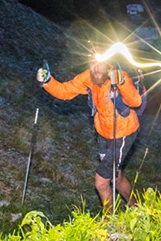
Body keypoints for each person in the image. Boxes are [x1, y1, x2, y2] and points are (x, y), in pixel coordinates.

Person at [37, 50, 142, 212]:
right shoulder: (88, 77)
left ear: (108, 65)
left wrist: (121, 83)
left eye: (101, 64)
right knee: (115, 176)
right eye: (93, 63)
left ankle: (110, 222)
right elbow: (65, 91)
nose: (97, 68)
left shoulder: (119, 77)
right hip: (103, 132)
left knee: (101, 182)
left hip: (123, 133)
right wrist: (48, 81)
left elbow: (135, 101)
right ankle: (137, 206)